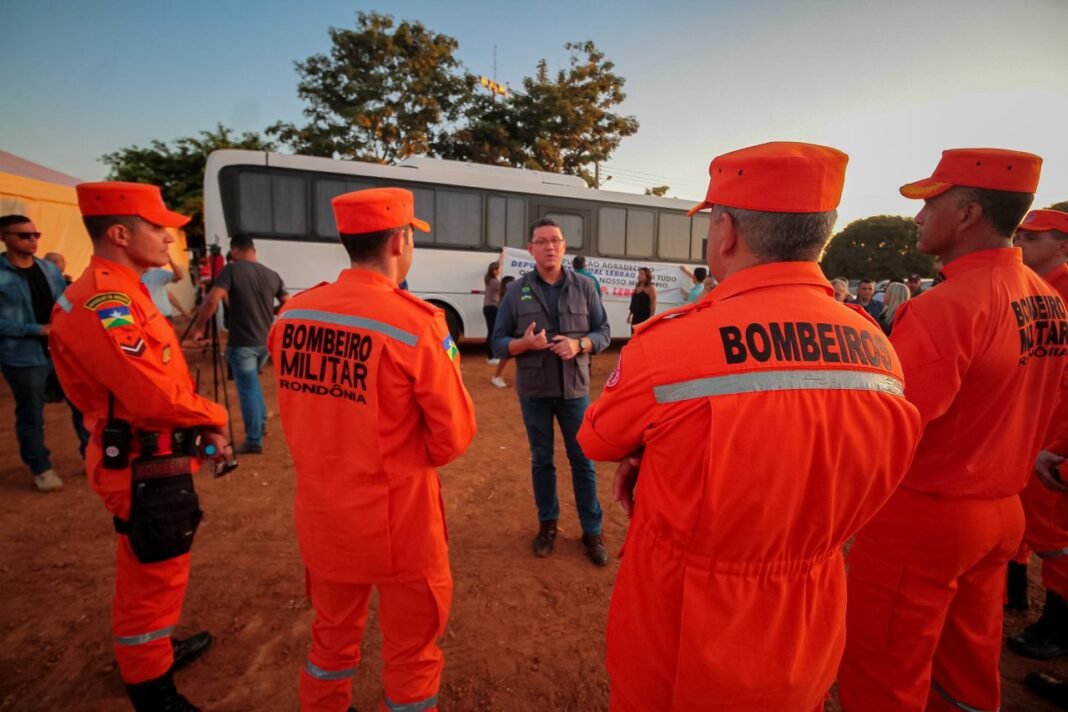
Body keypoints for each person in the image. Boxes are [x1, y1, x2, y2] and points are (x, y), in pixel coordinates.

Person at [577, 141, 921, 710]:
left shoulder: (673, 342)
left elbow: (598, 439)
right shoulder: (876, 347)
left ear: (727, 230)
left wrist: (656, 453)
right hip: (810, 617)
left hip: (684, 625)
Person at [837, 149, 1068, 712]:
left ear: (967, 214)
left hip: (926, 518)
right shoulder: (1048, 300)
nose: (917, 217)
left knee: (882, 673)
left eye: (929, 202)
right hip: (1001, 512)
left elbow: (891, 427)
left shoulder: (949, 306)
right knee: (966, 675)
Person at [267, 187, 476, 712]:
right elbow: (453, 436)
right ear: (400, 241)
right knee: (411, 654)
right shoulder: (418, 323)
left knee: (330, 643)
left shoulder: (292, 315)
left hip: (323, 517)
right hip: (401, 522)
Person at [49, 182, 232, 711]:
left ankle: (152, 652)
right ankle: (152, 689)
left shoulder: (120, 288)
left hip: (152, 453)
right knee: (152, 575)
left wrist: (196, 425)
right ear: (120, 233)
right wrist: (214, 416)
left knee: (156, 565)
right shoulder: (105, 299)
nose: (171, 237)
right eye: (159, 226)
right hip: (140, 461)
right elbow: (150, 393)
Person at [491, 217, 611, 565]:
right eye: (541, 241)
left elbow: (603, 331)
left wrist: (581, 344)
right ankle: (547, 526)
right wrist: (523, 343)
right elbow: (497, 342)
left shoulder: (585, 287)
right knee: (542, 460)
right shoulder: (516, 292)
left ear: (564, 246)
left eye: (555, 240)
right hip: (535, 392)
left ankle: (593, 530)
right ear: (530, 249)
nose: (549, 247)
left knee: (583, 461)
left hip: (574, 390)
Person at [1005, 207, 1068, 657]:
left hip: (1056, 440)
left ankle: (1059, 628)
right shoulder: (1031, 290)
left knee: (1056, 540)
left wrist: (1061, 446)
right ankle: (1020, 596)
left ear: (1062, 247)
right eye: (1019, 235)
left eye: (1032, 237)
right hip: (1031, 433)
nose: (1019, 243)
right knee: (1029, 527)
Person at [1, 214, 90, 491]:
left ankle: (92, 457)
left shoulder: (50, 270)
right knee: (31, 414)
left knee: (82, 405)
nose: (32, 240)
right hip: (22, 356)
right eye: (24, 236)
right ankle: (41, 468)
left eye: (35, 235)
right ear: (4, 238)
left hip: (62, 351)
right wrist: (36, 329)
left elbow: (66, 302)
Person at [189, 235, 288, 455]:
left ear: (235, 251)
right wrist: (265, 311)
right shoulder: (271, 274)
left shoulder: (231, 271)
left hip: (242, 342)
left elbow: (213, 299)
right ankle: (259, 427)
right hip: (266, 342)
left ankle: (254, 440)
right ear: (253, 250)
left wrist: (198, 328)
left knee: (247, 388)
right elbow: (287, 304)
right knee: (253, 385)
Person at [141, 254, 190, 323]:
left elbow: (180, 276)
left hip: (164, 316)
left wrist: (170, 261)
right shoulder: (134, 276)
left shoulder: (158, 273)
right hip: (148, 318)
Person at [491, 275, 516, 388]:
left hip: (512, 332)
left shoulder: (508, 298)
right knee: (506, 356)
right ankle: (497, 376)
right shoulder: (506, 300)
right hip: (508, 333)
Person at [483, 259, 502, 365]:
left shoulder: (488, 279)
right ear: (494, 271)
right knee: (493, 332)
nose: (500, 270)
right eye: (499, 269)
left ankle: (490, 356)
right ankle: (492, 357)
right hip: (492, 308)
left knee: (491, 331)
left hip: (487, 307)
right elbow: (504, 289)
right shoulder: (495, 282)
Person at [627, 267, 656, 333]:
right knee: (634, 335)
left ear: (647, 276)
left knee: (642, 336)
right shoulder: (637, 286)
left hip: (645, 317)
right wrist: (629, 315)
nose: (639, 275)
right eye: (639, 273)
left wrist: (651, 319)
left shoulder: (650, 287)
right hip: (635, 316)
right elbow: (634, 301)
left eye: (642, 274)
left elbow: (653, 304)